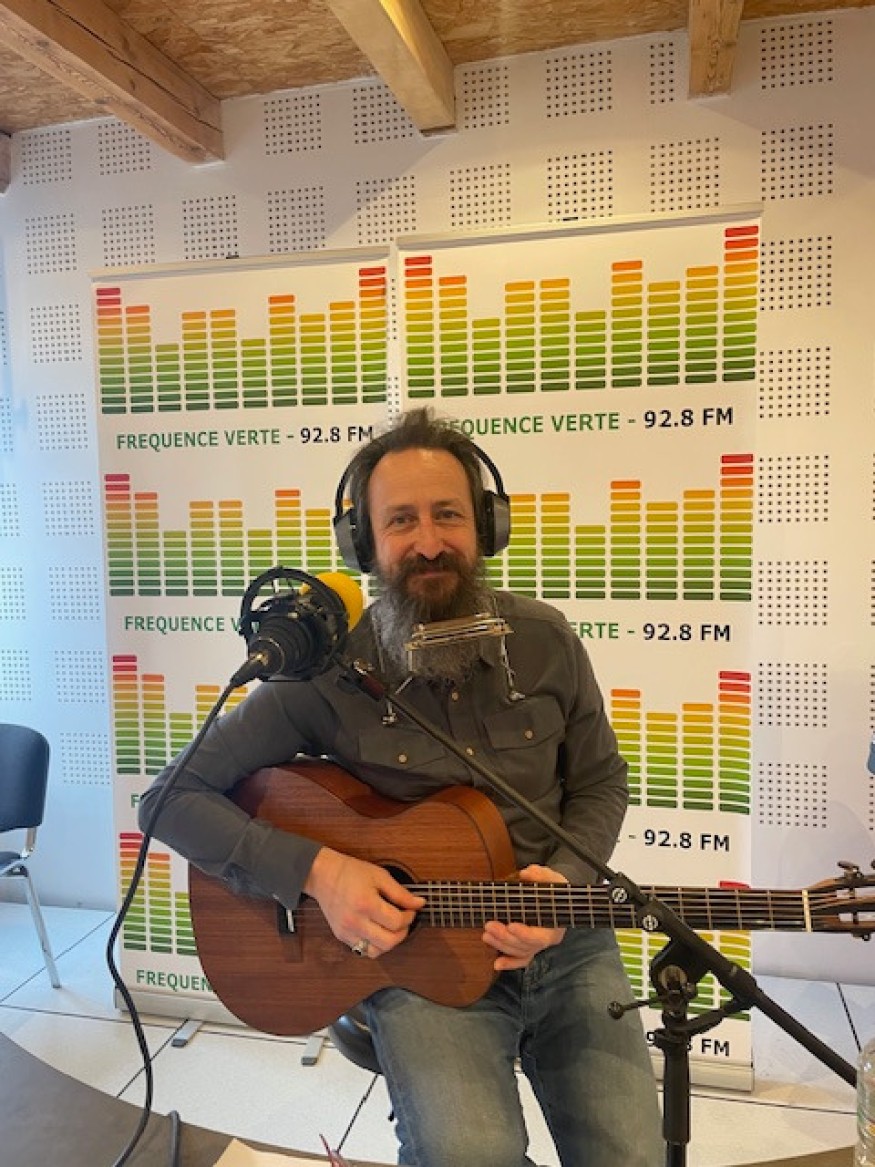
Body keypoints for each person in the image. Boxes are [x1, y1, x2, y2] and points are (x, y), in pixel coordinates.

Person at [139, 407, 663, 1167]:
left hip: (565, 942)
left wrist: (565, 883)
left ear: (486, 526)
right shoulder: (325, 670)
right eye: (401, 520)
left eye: (448, 514)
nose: (428, 542)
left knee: (633, 1157)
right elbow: (168, 800)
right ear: (363, 542)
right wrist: (319, 873)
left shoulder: (546, 641)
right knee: (469, 1155)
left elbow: (600, 780)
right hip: (420, 959)